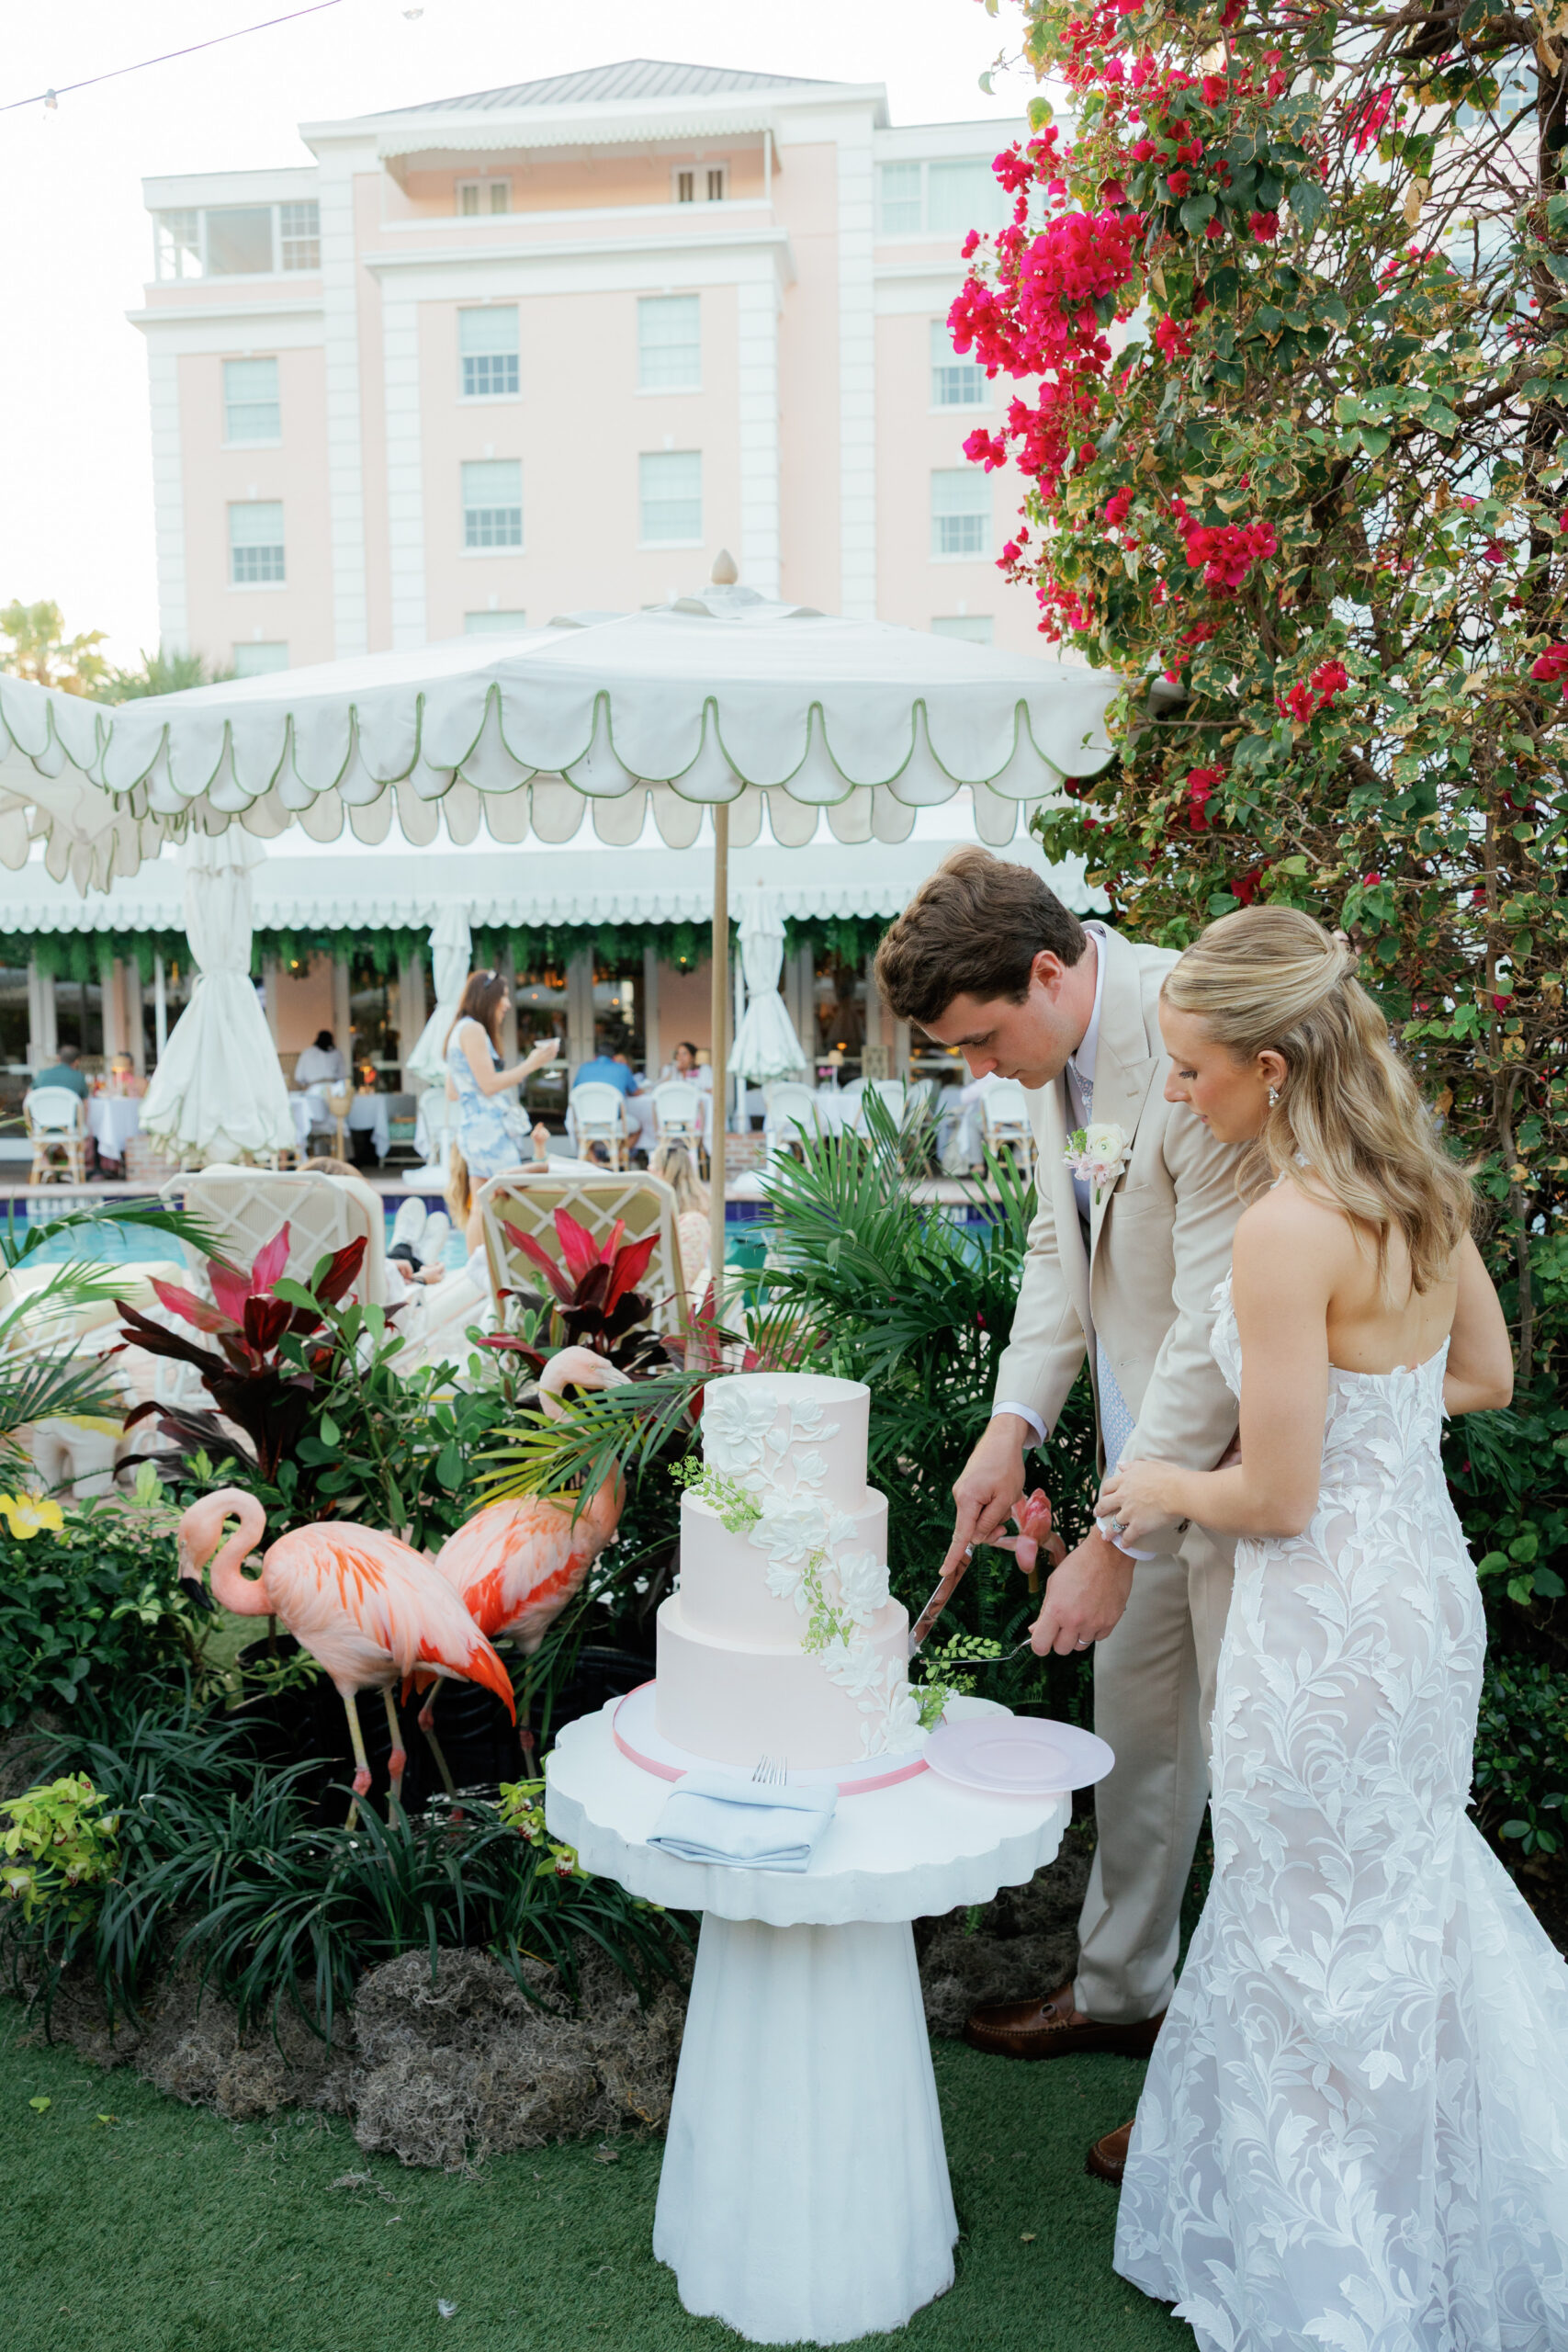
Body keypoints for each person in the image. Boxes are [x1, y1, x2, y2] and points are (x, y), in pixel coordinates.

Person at [1091, 909, 1568, 2343]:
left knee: (1304, 1922)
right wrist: (1371, 1426)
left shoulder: (1284, 1227)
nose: (1176, 1094)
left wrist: (1160, 1479)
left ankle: (1337, 2274)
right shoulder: (1418, 1190)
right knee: (1391, 1902)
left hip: (1319, 1629)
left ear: (1274, 1066)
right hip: (1417, 1602)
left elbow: (1276, 1497)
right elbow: (1479, 1377)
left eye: (1190, 1070)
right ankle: (1441, 2221)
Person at [874, 847, 1244, 2064]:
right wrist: (1006, 1429)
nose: (978, 1074)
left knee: (1257, 1771)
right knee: (1135, 1735)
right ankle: (1121, 1991)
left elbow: (1209, 1330)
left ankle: (1240, 2065)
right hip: (1139, 1455)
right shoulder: (1055, 1061)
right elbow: (1060, 1250)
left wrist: (1109, 1540)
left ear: (1046, 973)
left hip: (1248, 1473)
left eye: (979, 1043)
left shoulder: (1194, 1047)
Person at [446, 970, 560, 1250]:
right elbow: (489, 1085)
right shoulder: (473, 1030)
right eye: (504, 997)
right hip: (489, 1133)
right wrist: (532, 1063)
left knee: (481, 1207)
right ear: (489, 998)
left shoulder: (458, 1030)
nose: (508, 1004)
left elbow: (452, 1091)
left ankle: (478, 1274)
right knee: (506, 1201)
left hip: (475, 1129)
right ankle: (506, 1269)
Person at [649, 1138, 711, 1306]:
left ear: (663, 1172)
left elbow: (684, 1280)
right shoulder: (696, 1219)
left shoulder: (692, 1223)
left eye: (653, 1165)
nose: (648, 1169)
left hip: (669, 1304)